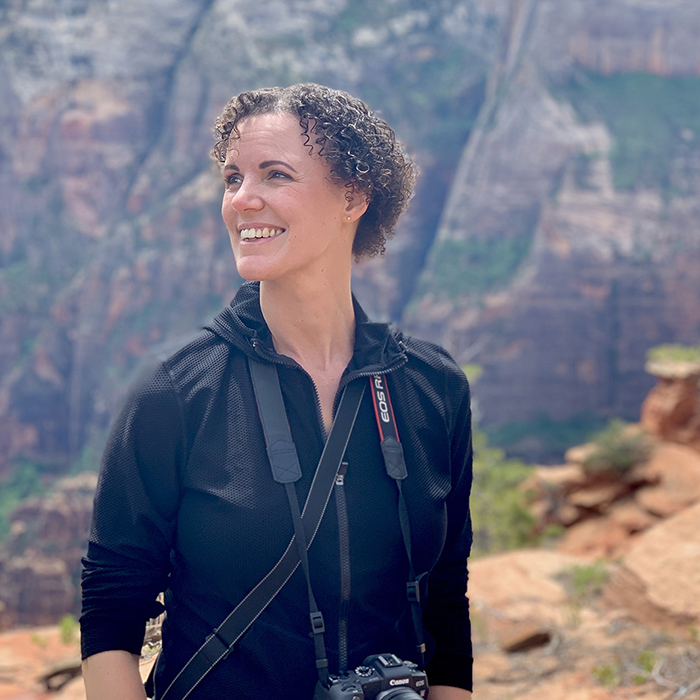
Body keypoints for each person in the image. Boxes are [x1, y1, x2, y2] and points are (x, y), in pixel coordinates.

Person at [80, 84, 473, 700]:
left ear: (353, 196)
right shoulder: (176, 390)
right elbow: (111, 599)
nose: (243, 199)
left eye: (276, 174)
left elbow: (446, 596)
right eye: (232, 177)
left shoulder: (433, 388)